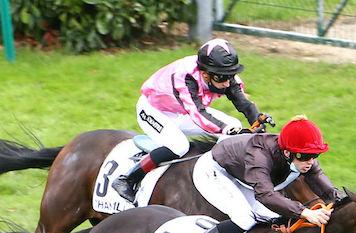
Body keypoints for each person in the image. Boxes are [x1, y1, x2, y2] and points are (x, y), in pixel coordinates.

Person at [170, 115, 335, 233]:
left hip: (244, 178)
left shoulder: (302, 157)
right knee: (245, 219)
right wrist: (305, 212)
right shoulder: (259, 155)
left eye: (315, 156)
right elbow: (265, 195)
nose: (310, 162)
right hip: (214, 171)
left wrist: (342, 200)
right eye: (304, 157)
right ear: (287, 152)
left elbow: (322, 184)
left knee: (274, 217)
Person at [112, 38, 265, 203]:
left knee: (235, 125)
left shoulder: (222, 74)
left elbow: (242, 102)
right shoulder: (185, 77)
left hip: (180, 110)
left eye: (231, 76)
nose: (227, 82)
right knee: (179, 146)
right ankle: (128, 179)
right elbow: (198, 114)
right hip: (153, 110)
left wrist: (257, 119)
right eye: (222, 78)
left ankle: (221, 175)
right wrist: (227, 129)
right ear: (205, 74)